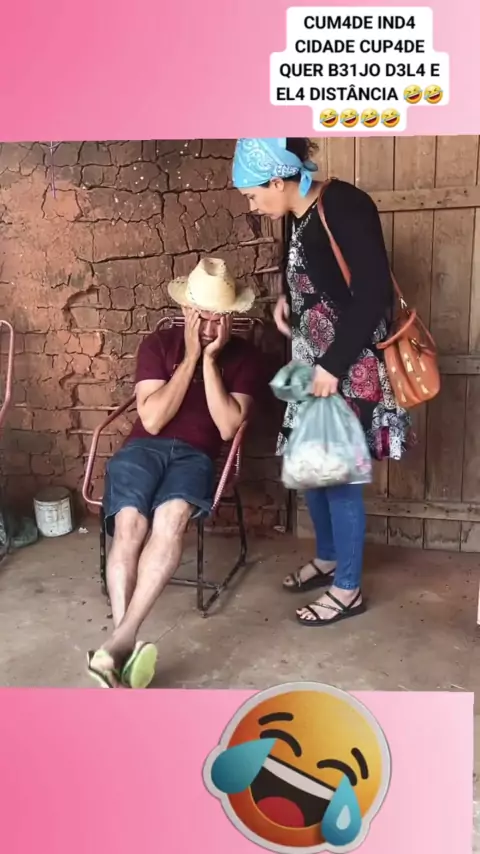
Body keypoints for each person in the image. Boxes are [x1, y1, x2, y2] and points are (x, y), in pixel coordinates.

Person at [232, 137, 413, 628]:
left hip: (346, 368)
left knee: (337, 478)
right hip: (313, 365)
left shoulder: (346, 204)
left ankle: (348, 589)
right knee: (310, 466)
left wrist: (333, 366)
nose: (253, 206)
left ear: (277, 181)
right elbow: (314, 270)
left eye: (252, 195)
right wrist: (287, 299)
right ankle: (330, 558)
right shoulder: (296, 213)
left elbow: (372, 293)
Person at [87, 258, 260, 688]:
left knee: (171, 519)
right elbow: (153, 419)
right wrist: (189, 358)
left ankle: (118, 643)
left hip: (195, 456)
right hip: (141, 449)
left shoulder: (245, 357)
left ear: (230, 318)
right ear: (186, 310)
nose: (209, 327)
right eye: (202, 316)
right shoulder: (157, 345)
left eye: (218, 317)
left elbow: (227, 427)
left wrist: (209, 363)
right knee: (130, 524)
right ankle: (123, 642)